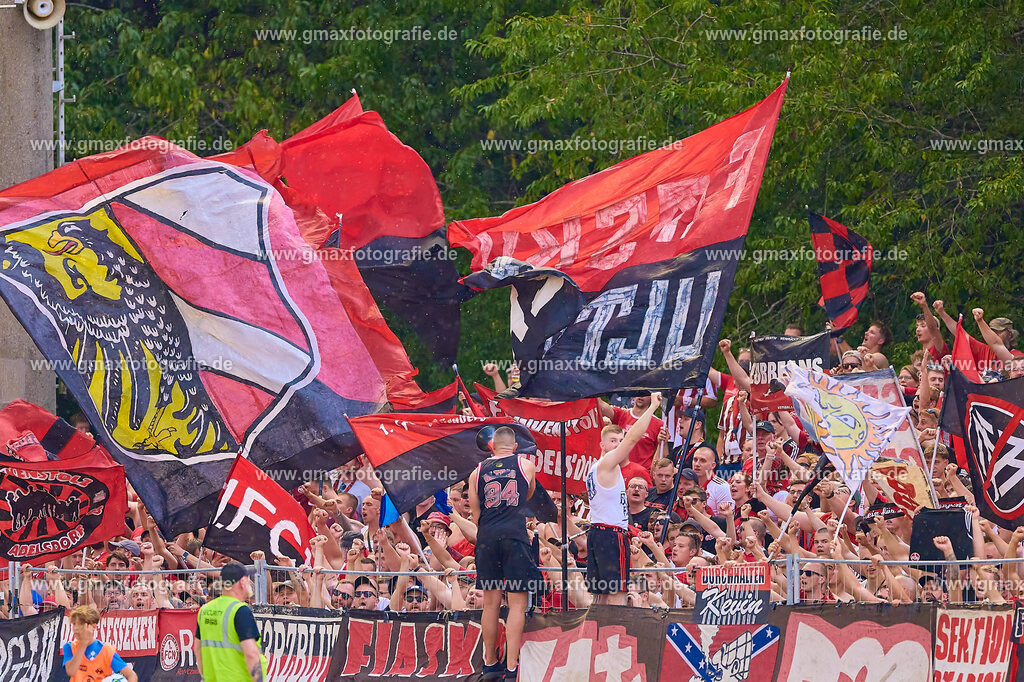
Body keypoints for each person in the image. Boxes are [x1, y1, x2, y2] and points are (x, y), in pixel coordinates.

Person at [468, 425, 540, 681]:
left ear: (492, 445)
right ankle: (512, 667)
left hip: (487, 536)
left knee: (490, 603)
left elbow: (475, 511)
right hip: (514, 535)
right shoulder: (525, 464)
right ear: (515, 446)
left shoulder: (476, 472)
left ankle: (490, 662)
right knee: (517, 604)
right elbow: (527, 495)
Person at [586, 393, 661, 606]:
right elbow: (633, 438)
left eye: (620, 440)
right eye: (613, 441)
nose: (618, 445)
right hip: (610, 533)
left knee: (600, 597)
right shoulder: (606, 463)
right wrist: (652, 407)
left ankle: (597, 637)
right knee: (617, 595)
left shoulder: (597, 468)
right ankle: (611, 638)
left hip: (599, 532)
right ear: (601, 444)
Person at [194, 562, 268, 682]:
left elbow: (198, 649)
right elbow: (251, 654)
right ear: (242, 582)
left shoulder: (205, 610)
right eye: (248, 580)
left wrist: (205, 677)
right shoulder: (240, 610)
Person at [63, 605, 138, 682]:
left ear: (93, 626)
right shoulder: (69, 647)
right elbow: (71, 671)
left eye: (81, 624)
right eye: (74, 624)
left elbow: (131, 675)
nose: (76, 628)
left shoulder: (106, 650)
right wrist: (83, 643)